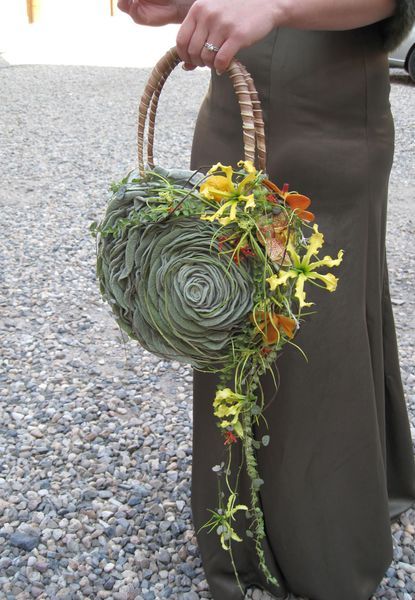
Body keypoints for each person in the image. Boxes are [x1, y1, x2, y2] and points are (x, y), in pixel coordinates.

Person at [118, 1, 415, 599]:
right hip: (236, 111)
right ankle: (242, 533)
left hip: (327, 119)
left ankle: (324, 540)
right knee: (229, 319)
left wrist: (275, 5)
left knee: (319, 329)